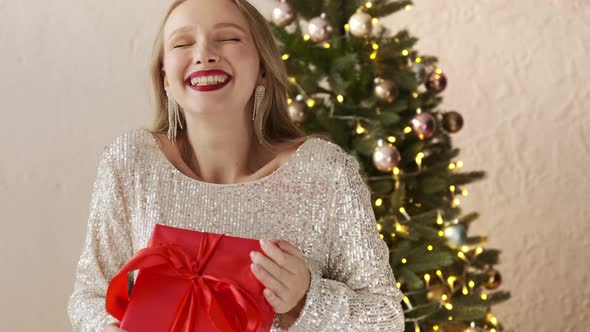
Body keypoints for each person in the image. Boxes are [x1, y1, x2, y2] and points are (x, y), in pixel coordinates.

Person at [66, 0, 405, 331]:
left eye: (228, 38)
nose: (204, 54)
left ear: (262, 67)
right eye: (183, 43)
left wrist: (307, 299)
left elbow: (387, 318)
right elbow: (89, 296)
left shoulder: (326, 173)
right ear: (165, 77)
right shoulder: (130, 162)